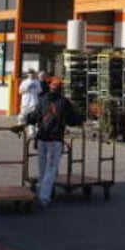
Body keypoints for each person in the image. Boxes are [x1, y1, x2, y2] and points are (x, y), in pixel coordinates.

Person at [24, 77, 82, 208]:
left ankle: (45, 192)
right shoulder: (64, 102)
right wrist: (80, 120)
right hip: (55, 140)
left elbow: (33, 117)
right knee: (51, 169)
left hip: (42, 139)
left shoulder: (42, 100)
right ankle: (44, 197)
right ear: (61, 89)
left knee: (42, 168)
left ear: (50, 87)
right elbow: (72, 119)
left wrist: (26, 120)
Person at [18, 70, 41, 140]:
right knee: (22, 117)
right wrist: (26, 89)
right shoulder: (24, 82)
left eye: (33, 74)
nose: (31, 75)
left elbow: (40, 91)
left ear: (34, 75)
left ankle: (32, 133)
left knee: (33, 118)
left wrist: (34, 90)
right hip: (25, 103)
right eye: (30, 74)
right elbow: (20, 92)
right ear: (28, 75)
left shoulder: (37, 82)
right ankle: (19, 130)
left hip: (34, 102)